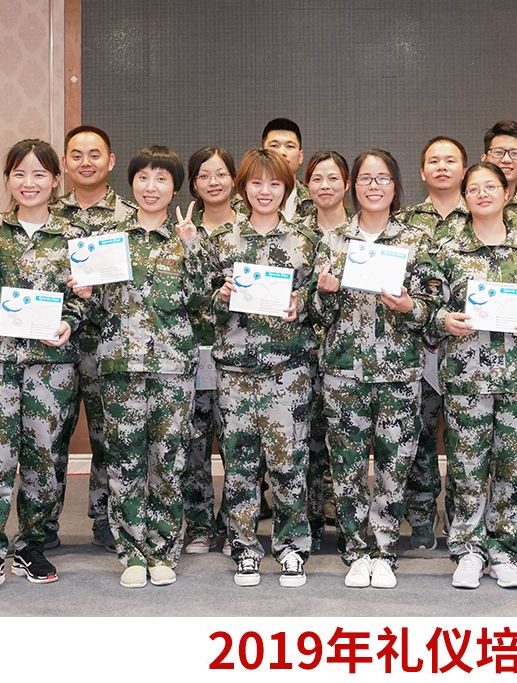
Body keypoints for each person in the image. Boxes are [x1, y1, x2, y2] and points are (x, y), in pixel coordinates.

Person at [77, 145, 208, 589]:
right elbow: (93, 309)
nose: (151, 187)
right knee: (124, 460)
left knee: (168, 460)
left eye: (161, 179)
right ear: (131, 183)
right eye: (143, 178)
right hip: (120, 366)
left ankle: (164, 549)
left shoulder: (188, 238)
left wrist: (192, 247)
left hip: (173, 368)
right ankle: (132, 551)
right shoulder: (109, 239)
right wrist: (85, 294)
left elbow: (203, 301)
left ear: (175, 188)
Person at [0, 139, 85, 594]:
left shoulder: (75, 235)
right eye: (19, 174)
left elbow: (85, 298)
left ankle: (32, 543)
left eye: (38, 174)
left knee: (44, 458)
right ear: (8, 179)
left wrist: (71, 321)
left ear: (55, 180)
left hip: (50, 366)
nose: (28, 182)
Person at [311, 149, 437, 589]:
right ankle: (355, 549)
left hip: (398, 372)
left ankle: (383, 549)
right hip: (344, 373)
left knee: (393, 464)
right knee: (346, 465)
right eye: (365, 178)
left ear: (395, 185)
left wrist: (409, 306)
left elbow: (432, 309)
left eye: (382, 178)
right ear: (353, 186)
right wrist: (324, 293)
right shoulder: (333, 241)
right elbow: (316, 315)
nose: (373, 186)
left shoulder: (416, 241)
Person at [428, 162, 517, 590]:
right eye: (474, 189)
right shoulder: (447, 252)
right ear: (464, 198)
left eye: (490, 187)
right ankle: (467, 549)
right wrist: (444, 320)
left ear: (506, 194)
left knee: (512, 467)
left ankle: (502, 549)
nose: (482, 194)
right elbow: (428, 309)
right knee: (466, 467)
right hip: (467, 378)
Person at [208, 148, 316, 588]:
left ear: (286, 188)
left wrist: (300, 305)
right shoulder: (223, 241)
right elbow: (201, 301)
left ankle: (292, 548)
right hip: (236, 371)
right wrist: (220, 296)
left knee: (290, 464)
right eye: (256, 183)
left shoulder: (305, 240)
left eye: (274, 184)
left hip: (287, 371)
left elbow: (319, 301)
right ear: (243, 187)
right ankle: (245, 549)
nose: (265, 191)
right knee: (240, 466)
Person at [49, 125, 136, 552]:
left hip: (109, 345)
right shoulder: (46, 214)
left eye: (95, 154)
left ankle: (106, 518)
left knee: (110, 438)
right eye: (77, 155)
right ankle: (42, 524)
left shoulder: (129, 218)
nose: (86, 162)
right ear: (65, 163)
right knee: (50, 439)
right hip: (53, 346)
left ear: (111, 161)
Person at [399, 136, 470, 550]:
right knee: (419, 435)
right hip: (417, 346)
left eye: (450, 160)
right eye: (433, 161)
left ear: (464, 170)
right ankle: (422, 517)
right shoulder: (406, 223)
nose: (442, 167)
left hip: (467, 348)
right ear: (422, 171)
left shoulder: (480, 214)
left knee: (466, 441)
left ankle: (463, 521)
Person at [180, 146, 238, 555]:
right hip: (193, 350)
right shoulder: (182, 232)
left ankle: (234, 524)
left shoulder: (252, 229)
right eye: (204, 175)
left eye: (220, 174)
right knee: (194, 443)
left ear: (233, 179)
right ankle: (199, 525)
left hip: (241, 353)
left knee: (238, 445)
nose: (213, 182)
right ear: (194, 184)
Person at [301, 150, 351, 549]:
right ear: (307, 186)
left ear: (347, 184)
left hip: (346, 356)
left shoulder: (360, 236)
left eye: (333, 178)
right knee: (306, 441)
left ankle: (345, 520)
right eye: (317, 179)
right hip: (298, 353)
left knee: (344, 442)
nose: (325, 186)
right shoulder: (295, 235)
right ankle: (310, 521)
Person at [262, 117, 314, 221]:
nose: (282, 153)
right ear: (261, 154)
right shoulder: (242, 202)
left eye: (290, 146)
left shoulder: (316, 199)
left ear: (300, 156)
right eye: (274, 146)